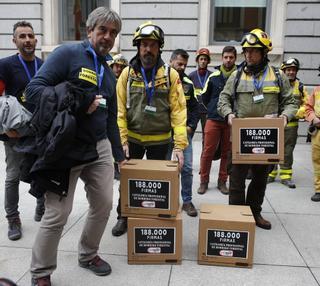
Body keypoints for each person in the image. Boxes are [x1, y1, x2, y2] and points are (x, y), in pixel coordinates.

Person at [25, 7, 125, 285]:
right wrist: (77, 100)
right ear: (89, 30)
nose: (107, 37)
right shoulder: (67, 54)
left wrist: (119, 155)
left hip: (98, 146)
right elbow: (33, 91)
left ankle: (88, 254)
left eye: (113, 33)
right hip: (65, 147)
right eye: (102, 30)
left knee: (104, 204)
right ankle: (41, 272)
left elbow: (110, 116)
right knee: (58, 214)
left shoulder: (107, 70)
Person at [113, 21, 188, 236]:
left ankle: (155, 217)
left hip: (161, 141)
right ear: (137, 47)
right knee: (126, 183)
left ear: (159, 47)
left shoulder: (170, 75)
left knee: (159, 185)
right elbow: (119, 112)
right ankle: (123, 216)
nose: (148, 49)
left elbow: (179, 112)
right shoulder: (127, 75)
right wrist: (122, 142)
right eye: (144, 44)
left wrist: (179, 146)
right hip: (133, 141)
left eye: (152, 45)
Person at [217, 28, 296, 230]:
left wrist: (285, 117)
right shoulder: (236, 76)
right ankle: (236, 217)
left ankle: (254, 213)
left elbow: (291, 102)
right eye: (246, 51)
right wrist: (229, 115)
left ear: (263, 52)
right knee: (236, 180)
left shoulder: (278, 76)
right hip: (241, 139)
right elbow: (223, 99)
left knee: (260, 179)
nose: (248, 55)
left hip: (266, 140)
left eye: (253, 51)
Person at [0, 21, 45, 241]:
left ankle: (41, 205)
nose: (27, 40)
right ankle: (13, 218)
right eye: (22, 36)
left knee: (41, 170)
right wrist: (5, 130)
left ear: (36, 39)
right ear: (14, 41)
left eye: (30, 36)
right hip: (15, 133)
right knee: (13, 176)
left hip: (39, 131)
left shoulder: (44, 65)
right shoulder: (5, 65)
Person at [198, 46, 237, 195]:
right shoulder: (213, 76)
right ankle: (203, 181)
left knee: (226, 153)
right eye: (226, 57)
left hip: (231, 121)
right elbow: (204, 96)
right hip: (213, 119)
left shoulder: (239, 75)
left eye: (231, 57)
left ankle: (222, 182)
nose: (228, 60)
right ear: (222, 58)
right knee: (207, 152)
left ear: (235, 58)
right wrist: (213, 109)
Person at [267, 58, 309, 188]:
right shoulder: (275, 84)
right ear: (283, 71)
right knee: (272, 149)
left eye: (293, 70)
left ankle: (286, 176)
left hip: (291, 125)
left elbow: (307, 105)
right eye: (288, 70)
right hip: (275, 124)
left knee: (287, 151)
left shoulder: (300, 86)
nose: (291, 72)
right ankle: (270, 173)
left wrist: (294, 113)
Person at [169, 49, 199, 216]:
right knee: (167, 168)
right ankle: (169, 201)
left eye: (185, 65)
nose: (182, 67)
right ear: (171, 61)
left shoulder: (188, 82)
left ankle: (187, 201)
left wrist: (191, 126)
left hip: (184, 132)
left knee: (186, 167)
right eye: (179, 63)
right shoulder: (161, 78)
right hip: (165, 133)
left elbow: (194, 107)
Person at [109, 53, 128, 180]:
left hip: (122, 117)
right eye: (116, 66)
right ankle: (114, 168)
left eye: (122, 66)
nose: (119, 69)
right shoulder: (106, 79)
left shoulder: (127, 82)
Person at [189, 48, 213, 138]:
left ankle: (204, 152)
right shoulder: (191, 75)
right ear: (197, 61)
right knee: (189, 133)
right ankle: (187, 152)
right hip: (194, 110)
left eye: (205, 59)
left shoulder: (212, 76)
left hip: (206, 110)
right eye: (201, 59)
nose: (203, 61)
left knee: (206, 135)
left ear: (208, 61)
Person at [305, 65, 320, 202]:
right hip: (318, 133)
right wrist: (313, 118)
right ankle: (319, 189)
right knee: (317, 162)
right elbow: (308, 108)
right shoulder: (316, 90)